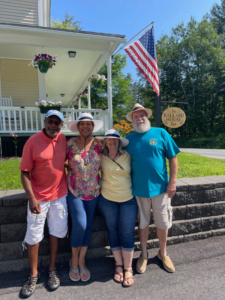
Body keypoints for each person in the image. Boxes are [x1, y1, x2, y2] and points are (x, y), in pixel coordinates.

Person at [125, 103, 180, 274]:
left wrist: (172, 182)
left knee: (163, 223)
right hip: (139, 190)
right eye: (136, 116)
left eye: (142, 115)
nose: (139, 118)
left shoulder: (161, 133)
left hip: (161, 189)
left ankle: (163, 253)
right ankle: (144, 254)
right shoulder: (128, 139)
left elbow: (173, 158)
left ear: (146, 117)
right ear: (132, 120)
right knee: (143, 224)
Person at [19, 110, 68, 298]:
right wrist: (31, 197)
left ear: (62, 125)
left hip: (59, 195)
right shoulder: (32, 142)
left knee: (56, 232)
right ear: (45, 121)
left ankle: (52, 269)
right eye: (51, 121)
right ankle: (33, 274)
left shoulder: (63, 139)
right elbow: (24, 172)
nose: (53, 125)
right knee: (33, 235)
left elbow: (59, 160)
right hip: (39, 197)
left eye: (57, 122)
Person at [97, 129, 137, 287]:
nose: (112, 142)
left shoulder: (128, 156)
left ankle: (128, 268)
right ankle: (118, 266)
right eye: (109, 139)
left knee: (127, 232)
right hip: (107, 200)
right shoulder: (100, 157)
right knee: (112, 230)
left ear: (119, 141)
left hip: (128, 199)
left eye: (115, 139)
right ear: (105, 142)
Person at [66, 112, 104, 282]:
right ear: (77, 127)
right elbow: (60, 160)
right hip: (74, 190)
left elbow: (113, 154)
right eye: (82, 124)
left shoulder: (100, 143)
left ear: (93, 127)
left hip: (94, 191)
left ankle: (82, 260)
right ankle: (73, 260)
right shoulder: (69, 143)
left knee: (88, 226)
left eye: (89, 124)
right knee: (80, 224)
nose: (85, 127)